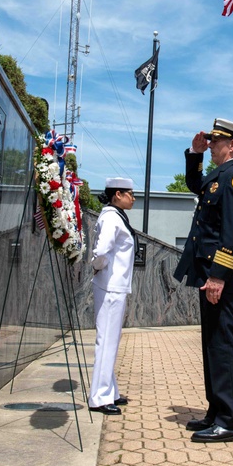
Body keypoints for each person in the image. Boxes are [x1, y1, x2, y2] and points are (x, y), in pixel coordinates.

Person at [174, 118, 233, 443]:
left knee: (223, 345)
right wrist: (195, 155)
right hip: (208, 273)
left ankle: (232, 422)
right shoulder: (218, 176)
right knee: (211, 345)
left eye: (215, 141)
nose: (212, 145)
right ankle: (217, 410)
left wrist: (219, 276)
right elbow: (197, 185)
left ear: (231, 145)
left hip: (222, 276)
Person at [87, 177, 137, 415]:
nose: (133, 198)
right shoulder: (110, 218)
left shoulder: (115, 216)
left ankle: (110, 391)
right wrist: (98, 268)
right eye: (130, 193)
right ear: (117, 194)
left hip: (114, 285)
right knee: (106, 341)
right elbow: (101, 251)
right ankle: (99, 397)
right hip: (109, 286)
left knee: (111, 341)